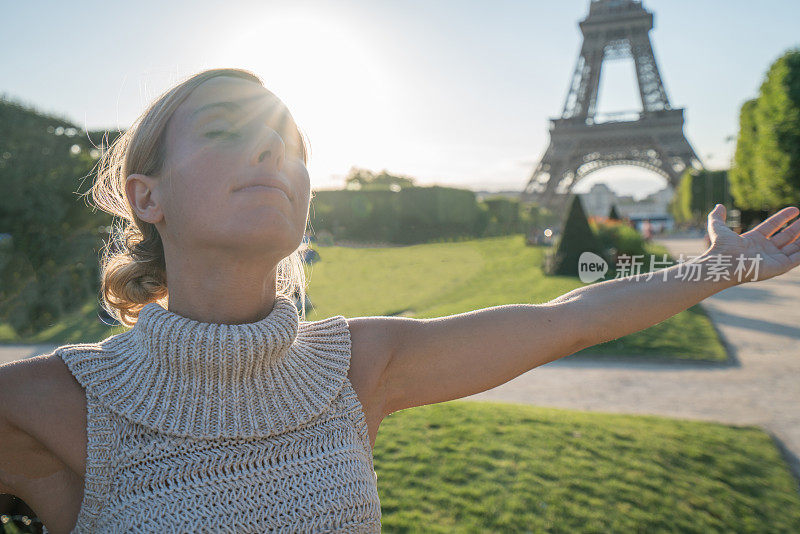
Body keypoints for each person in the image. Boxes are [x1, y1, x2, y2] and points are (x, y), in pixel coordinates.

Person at [2, 68, 800, 533]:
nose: (272, 154)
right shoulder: (46, 403)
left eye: (294, 147)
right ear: (148, 197)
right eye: (221, 131)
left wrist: (718, 271)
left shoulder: (361, 364)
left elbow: (571, 319)